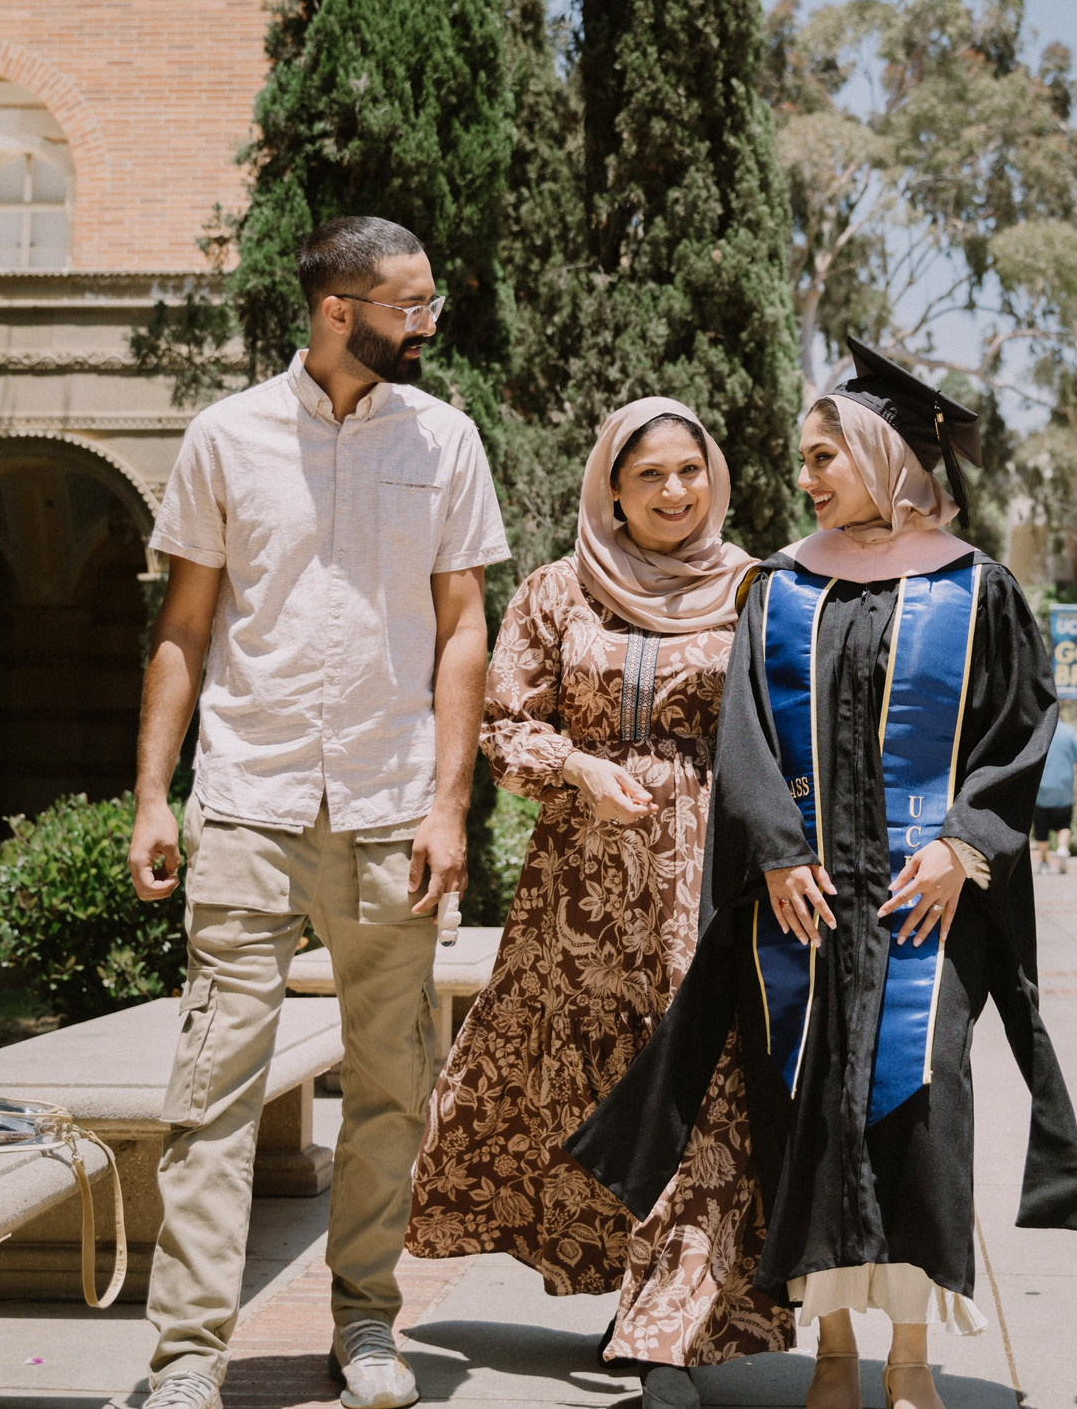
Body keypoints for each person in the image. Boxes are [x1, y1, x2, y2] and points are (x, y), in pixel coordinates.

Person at [567, 339, 1077, 1409]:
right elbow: (746, 738)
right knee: (806, 1114)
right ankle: (832, 1353)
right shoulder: (781, 584)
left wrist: (964, 841)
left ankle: (910, 1353)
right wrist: (772, 851)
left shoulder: (975, 586)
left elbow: (1019, 727)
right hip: (803, 901)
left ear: (884, 455)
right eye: (805, 458)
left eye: (825, 455)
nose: (806, 476)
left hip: (924, 897)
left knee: (920, 1106)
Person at [126, 217, 510, 1409]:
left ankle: (364, 1323)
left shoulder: (444, 438)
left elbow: (462, 628)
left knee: (392, 1080)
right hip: (249, 794)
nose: (430, 322)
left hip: (395, 801)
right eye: (412, 304)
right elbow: (184, 627)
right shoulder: (226, 436)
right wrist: (154, 791)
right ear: (339, 308)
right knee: (212, 1090)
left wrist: (451, 808)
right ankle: (188, 1354)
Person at [404, 398, 791, 1402]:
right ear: (610, 489)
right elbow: (503, 725)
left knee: (704, 1089)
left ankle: (665, 1324)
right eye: (650, 473)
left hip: (709, 882)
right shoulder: (554, 592)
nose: (674, 490)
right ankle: (628, 1287)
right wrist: (576, 766)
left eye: (690, 470)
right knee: (587, 1088)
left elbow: (795, 728)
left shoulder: (758, 589)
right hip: (578, 898)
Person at [1031, 714, 1077, 874]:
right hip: (1064, 789)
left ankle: (1043, 862)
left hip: (1041, 788)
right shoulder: (1071, 732)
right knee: (1064, 823)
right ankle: (1062, 849)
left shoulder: (1040, 732)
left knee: (1041, 827)